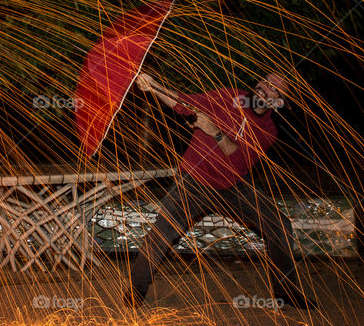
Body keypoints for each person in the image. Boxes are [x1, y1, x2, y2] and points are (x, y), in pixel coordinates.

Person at [125, 72, 316, 309]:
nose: (265, 88)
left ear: (278, 103)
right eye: (265, 81)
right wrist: (153, 86)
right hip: (194, 179)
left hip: (232, 185)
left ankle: (286, 290)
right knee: (161, 232)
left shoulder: (268, 131)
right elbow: (185, 103)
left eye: (274, 89)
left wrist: (214, 131)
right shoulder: (228, 96)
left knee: (279, 225)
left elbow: (236, 160)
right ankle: (136, 289)